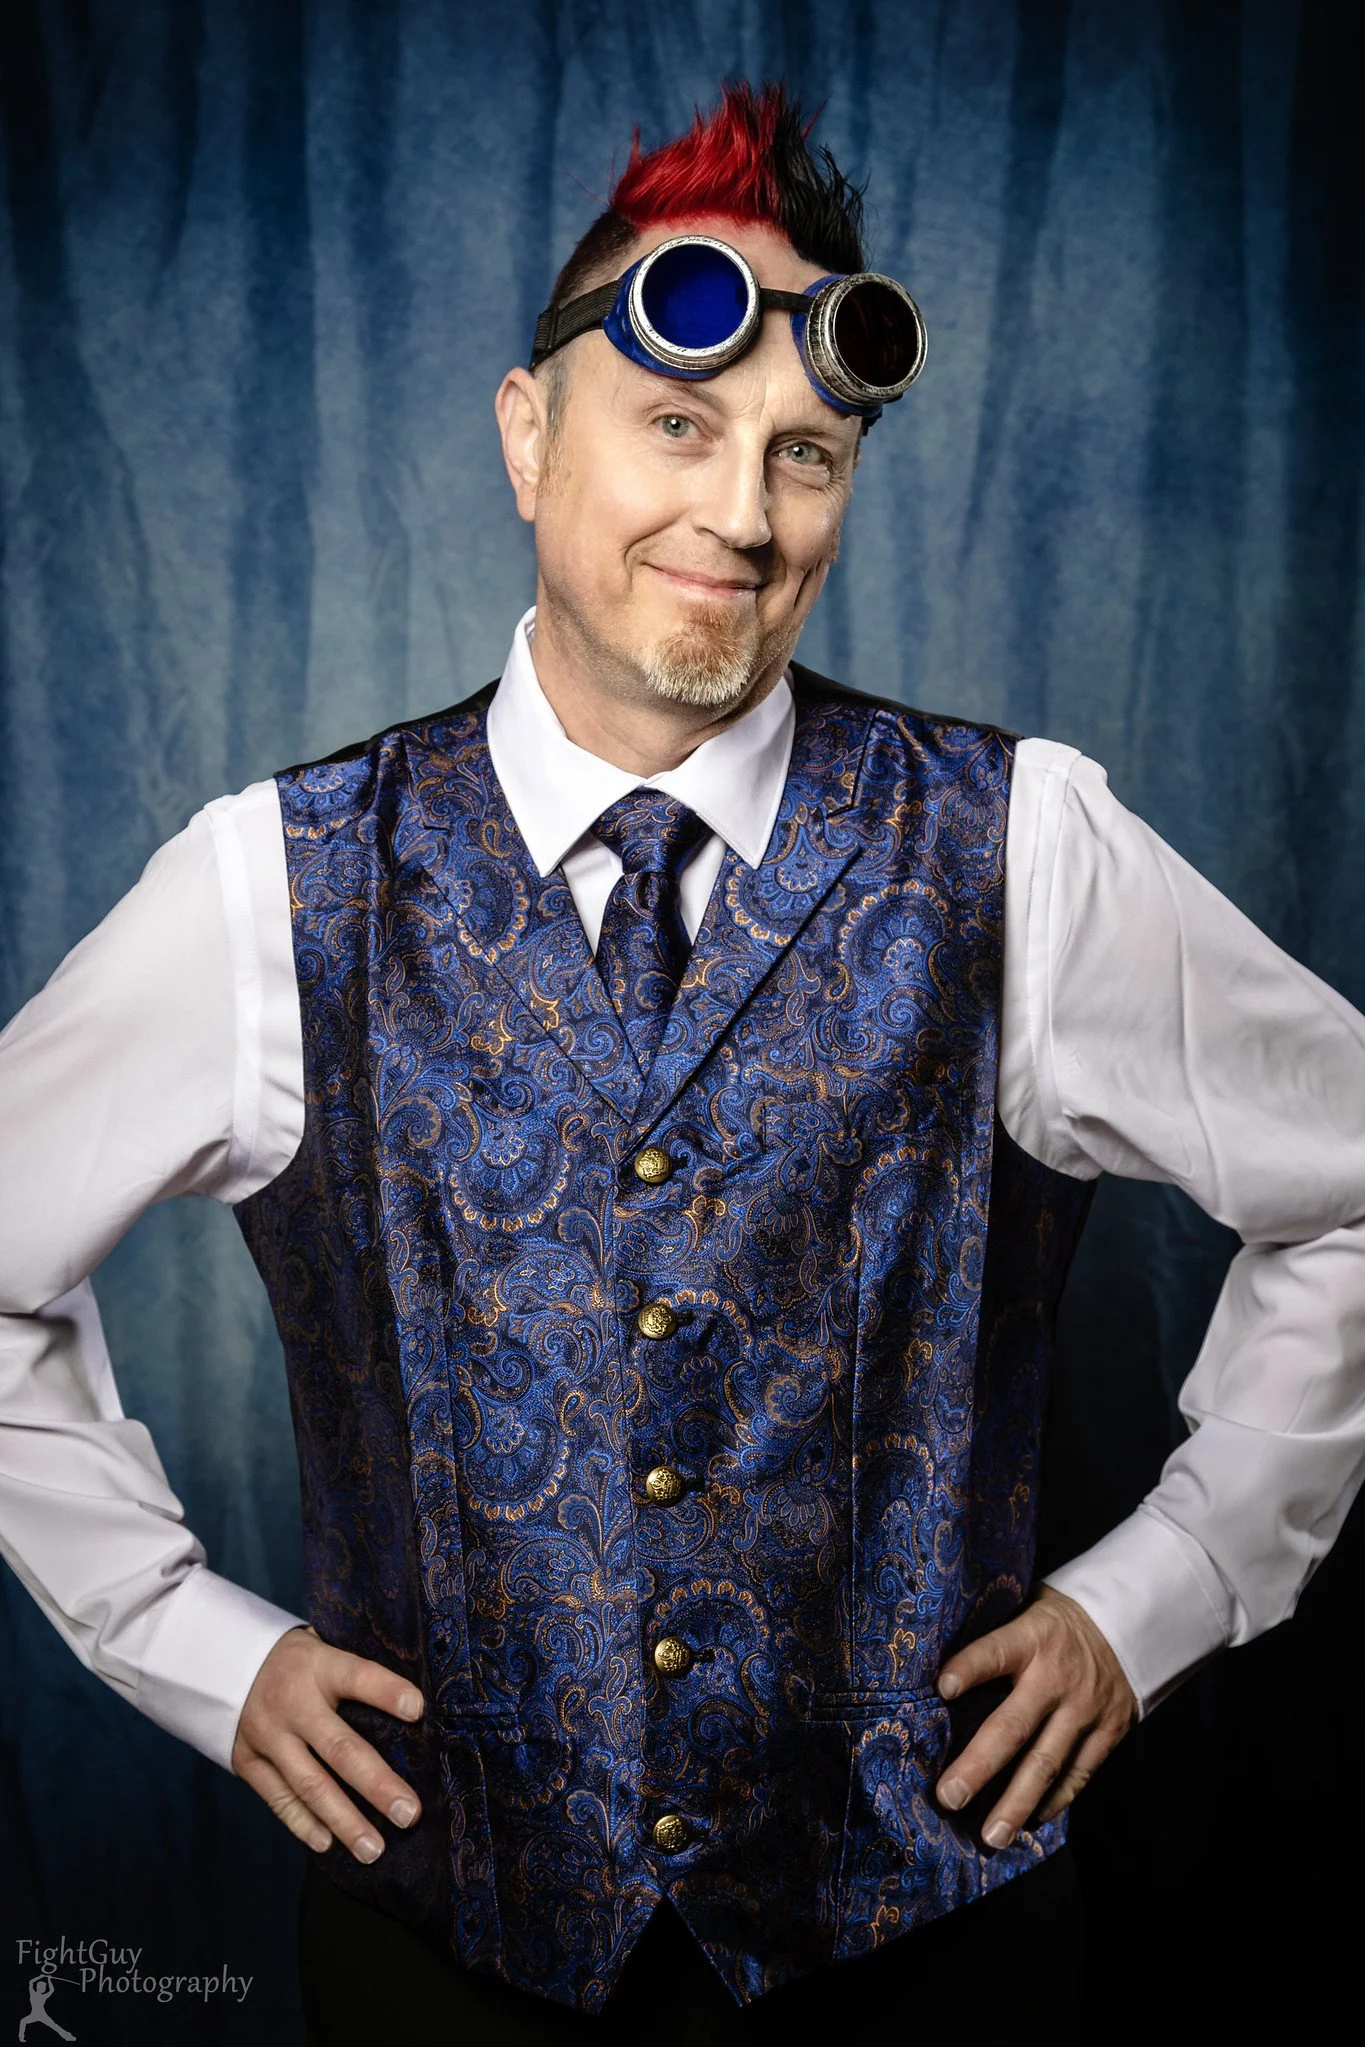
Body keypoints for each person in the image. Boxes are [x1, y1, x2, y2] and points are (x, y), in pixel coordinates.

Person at [2, 81, 1363, 2045]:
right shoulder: (266, 889)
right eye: (678, 427)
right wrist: (182, 1642)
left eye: (804, 456)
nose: (741, 512)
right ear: (526, 434)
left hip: (931, 1965)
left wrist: (1172, 1582)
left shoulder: (1022, 848)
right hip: (441, 1976)